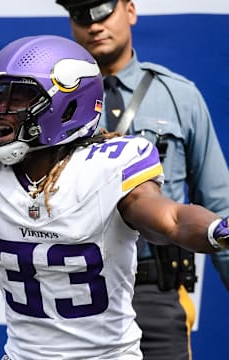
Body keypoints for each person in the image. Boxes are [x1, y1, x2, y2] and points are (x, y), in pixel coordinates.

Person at [0, 34, 228, 360]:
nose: (0, 109)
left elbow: (172, 220)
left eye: (19, 96)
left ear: (69, 105)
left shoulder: (108, 166)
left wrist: (216, 229)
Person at [55, 0, 229, 359]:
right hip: (77, 291)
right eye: (79, 14)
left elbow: (219, 203)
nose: (93, 24)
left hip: (155, 291)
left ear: (130, 10)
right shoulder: (53, 103)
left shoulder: (179, 96)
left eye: (102, 9)